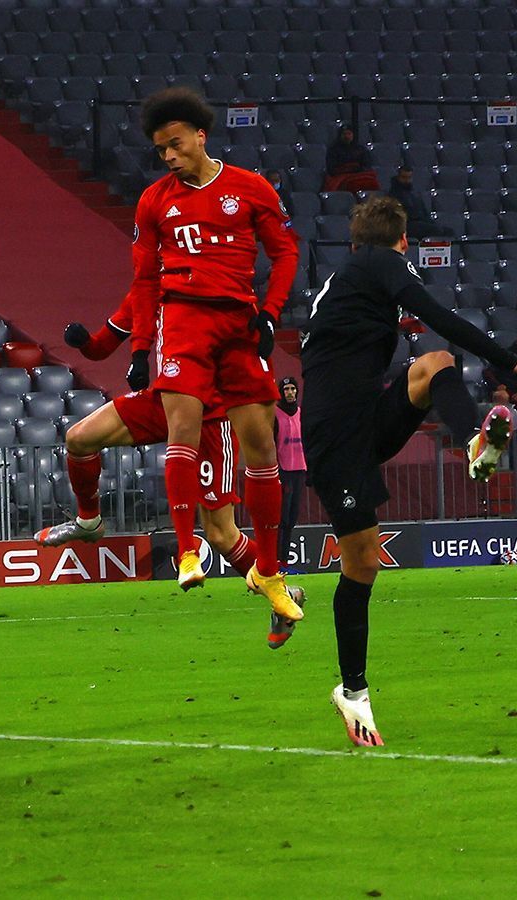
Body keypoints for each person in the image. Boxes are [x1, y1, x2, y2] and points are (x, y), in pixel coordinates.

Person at [300, 196, 517, 747]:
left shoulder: (350, 276)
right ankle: (353, 692)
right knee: (361, 562)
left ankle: (474, 442)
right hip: (336, 438)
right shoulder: (381, 265)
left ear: (355, 240)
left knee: (434, 364)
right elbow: (442, 318)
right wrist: (512, 361)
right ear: (402, 242)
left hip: (359, 417)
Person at [124, 86, 303, 624]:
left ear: (200, 136)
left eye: (176, 145)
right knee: (182, 428)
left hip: (239, 324)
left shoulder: (250, 189)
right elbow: (144, 277)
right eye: (162, 151)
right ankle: (186, 550)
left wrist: (271, 313)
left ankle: (269, 570)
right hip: (182, 321)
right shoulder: (155, 199)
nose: (170, 156)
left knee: (260, 448)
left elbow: (286, 251)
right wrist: (139, 346)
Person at [39, 303, 308, 650]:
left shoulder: (209, 290)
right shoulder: (151, 290)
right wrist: (85, 343)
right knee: (78, 438)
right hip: (167, 401)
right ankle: (89, 520)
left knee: (221, 534)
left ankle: (283, 597)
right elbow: (106, 342)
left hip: (212, 417)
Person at [275, 377, 306, 574]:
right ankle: (278, 561)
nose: (290, 392)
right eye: (286, 389)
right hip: (284, 471)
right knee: (282, 519)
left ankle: (284, 562)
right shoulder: (275, 415)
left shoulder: (302, 414)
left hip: (299, 471)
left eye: (293, 388)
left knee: (292, 518)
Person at [384, 166, 452, 239]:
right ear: (398, 177)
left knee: (448, 231)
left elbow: (424, 213)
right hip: (405, 225)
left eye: (409, 177)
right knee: (435, 230)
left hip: (419, 223)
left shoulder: (415, 194)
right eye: (404, 177)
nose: (407, 180)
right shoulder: (393, 195)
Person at [323, 125, 379, 192]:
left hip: (359, 174)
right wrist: (349, 169)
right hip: (341, 176)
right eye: (344, 134)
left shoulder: (361, 149)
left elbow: (366, 166)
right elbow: (332, 170)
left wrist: (357, 169)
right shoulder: (333, 150)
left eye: (349, 134)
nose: (347, 136)